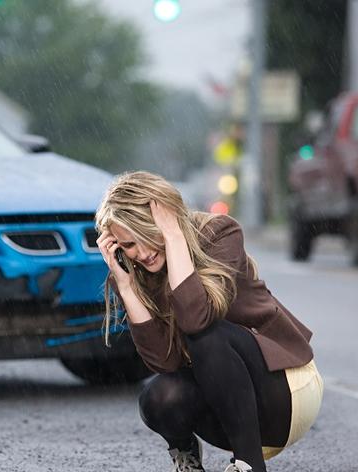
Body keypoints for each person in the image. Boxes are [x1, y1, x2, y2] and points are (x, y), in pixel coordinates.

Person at [94, 171, 323, 472]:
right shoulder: (137, 272)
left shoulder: (220, 233)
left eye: (149, 236)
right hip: (230, 410)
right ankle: (188, 459)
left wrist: (174, 236)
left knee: (207, 337)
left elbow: (196, 320)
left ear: (167, 219)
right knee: (157, 397)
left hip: (286, 392)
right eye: (130, 245)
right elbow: (164, 362)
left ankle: (249, 465)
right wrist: (125, 286)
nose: (144, 253)